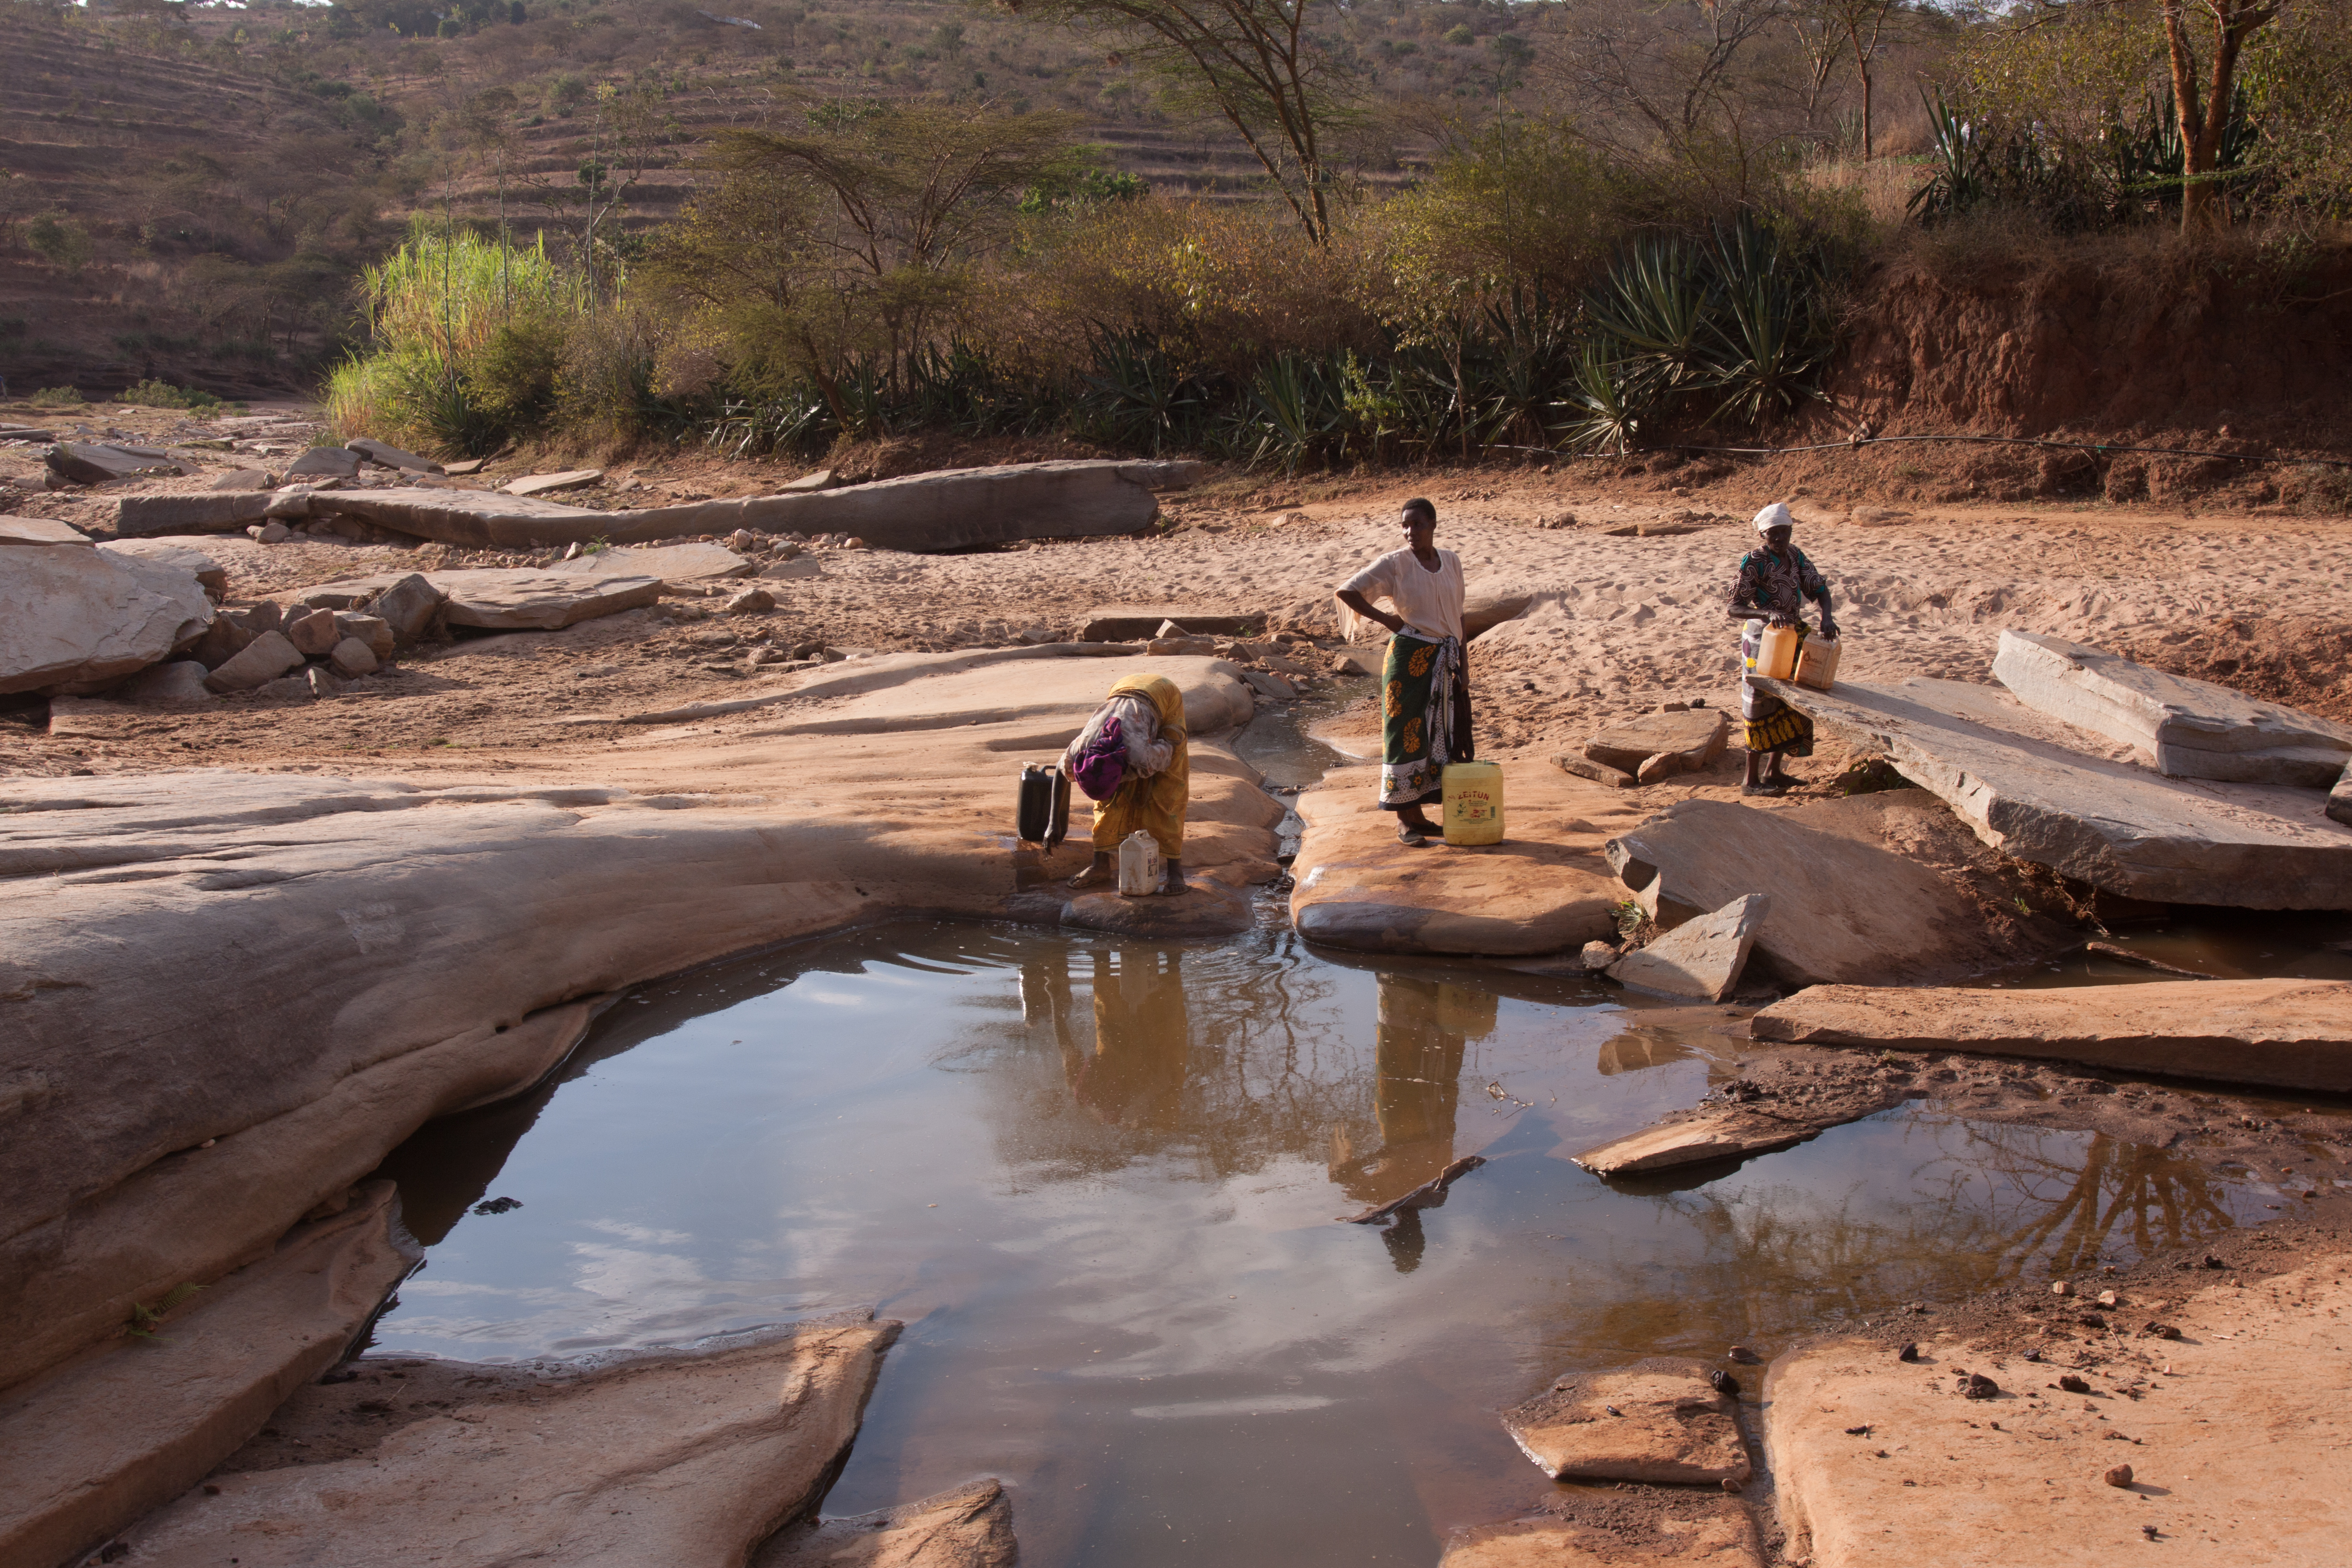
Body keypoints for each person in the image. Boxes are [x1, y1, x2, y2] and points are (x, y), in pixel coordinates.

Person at [1335, 497, 1473, 847]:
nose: (1411, 532)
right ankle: (1403, 821)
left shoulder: (1452, 561)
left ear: (1434, 525)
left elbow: (1459, 618)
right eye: (1405, 525)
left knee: (1435, 734)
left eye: (1418, 524)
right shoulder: (1395, 564)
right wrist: (1389, 621)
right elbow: (1347, 591)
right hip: (1408, 659)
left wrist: (1464, 665)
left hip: (1444, 660)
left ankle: (1420, 816)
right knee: (1404, 733)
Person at [1726, 501, 1838, 796]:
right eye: (1773, 534)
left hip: (1792, 634)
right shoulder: (1753, 561)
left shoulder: (1795, 556)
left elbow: (1820, 589)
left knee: (1793, 701)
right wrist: (1766, 613)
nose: (1779, 539)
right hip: (1762, 641)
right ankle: (1750, 782)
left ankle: (1774, 772)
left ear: (1790, 531)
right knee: (1759, 705)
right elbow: (1734, 608)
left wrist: (1827, 617)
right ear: (1763, 535)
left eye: (1783, 532)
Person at [1062, 672, 1189, 894]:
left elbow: (1164, 755)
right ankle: (1100, 866)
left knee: (1167, 794)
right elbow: (1059, 779)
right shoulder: (1079, 751)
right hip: (1120, 689)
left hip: (1162, 695)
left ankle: (1175, 873)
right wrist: (1054, 823)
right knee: (1109, 803)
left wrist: (1166, 742)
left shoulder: (1142, 758)